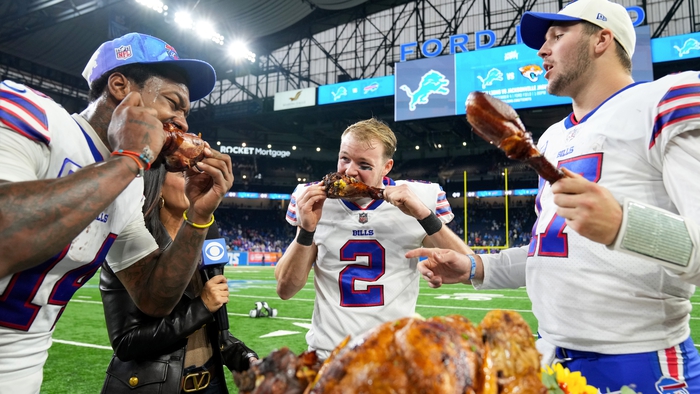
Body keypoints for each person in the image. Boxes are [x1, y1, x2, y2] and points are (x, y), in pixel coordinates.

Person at [407, 0, 700, 391]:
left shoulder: (663, 101)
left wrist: (624, 225)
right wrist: (475, 267)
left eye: (558, 36)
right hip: (552, 360)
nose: (542, 50)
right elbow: (550, 252)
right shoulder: (550, 138)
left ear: (602, 40)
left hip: (643, 363)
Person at [0, 32, 233, 392]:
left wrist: (198, 217)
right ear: (121, 86)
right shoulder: (29, 113)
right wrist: (129, 159)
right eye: (174, 103)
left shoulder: (130, 188)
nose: (183, 123)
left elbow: (155, 298)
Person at [275, 117, 469, 360]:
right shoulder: (309, 197)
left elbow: (470, 268)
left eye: (364, 164)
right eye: (344, 158)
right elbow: (285, 289)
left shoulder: (422, 195)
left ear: (387, 167)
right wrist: (306, 230)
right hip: (329, 356)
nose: (349, 171)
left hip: (392, 356)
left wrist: (423, 215)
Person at [100, 166, 257, 393]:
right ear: (157, 185)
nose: (195, 180)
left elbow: (206, 330)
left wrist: (244, 357)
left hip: (211, 383)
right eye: (183, 174)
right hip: (156, 386)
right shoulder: (131, 245)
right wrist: (201, 307)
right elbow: (126, 343)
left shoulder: (207, 235)